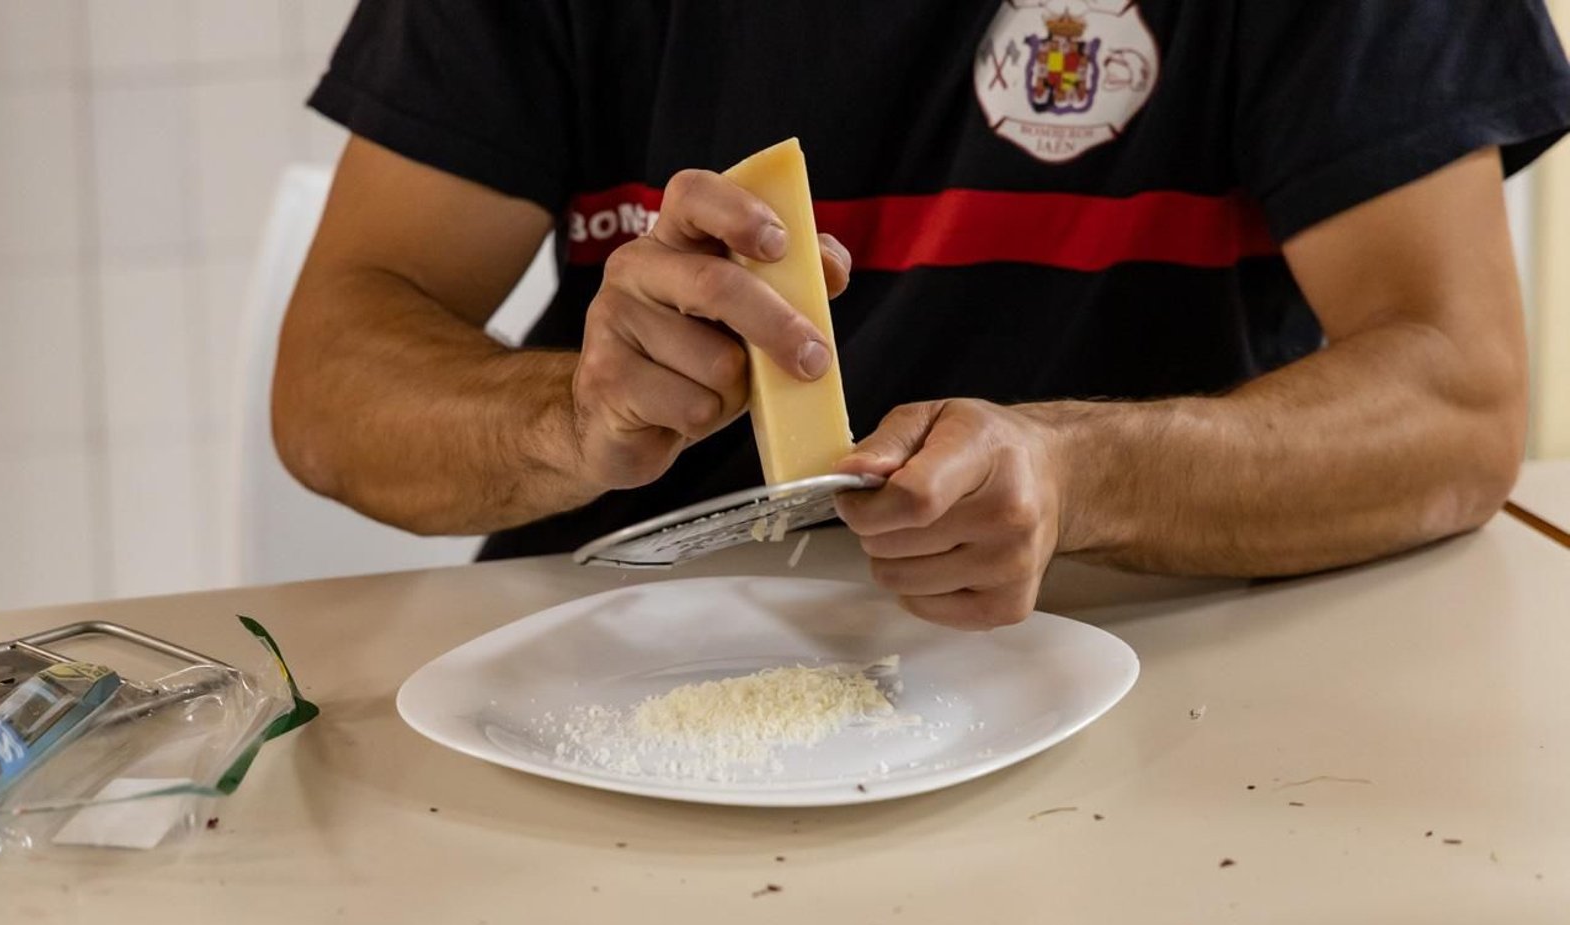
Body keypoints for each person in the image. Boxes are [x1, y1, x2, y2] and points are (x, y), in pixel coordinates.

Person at [277, 1, 1570, 630]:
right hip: (628, 685)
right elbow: (334, 376)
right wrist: (571, 417)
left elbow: (1454, 400)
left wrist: (1085, 470)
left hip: (1176, 643)